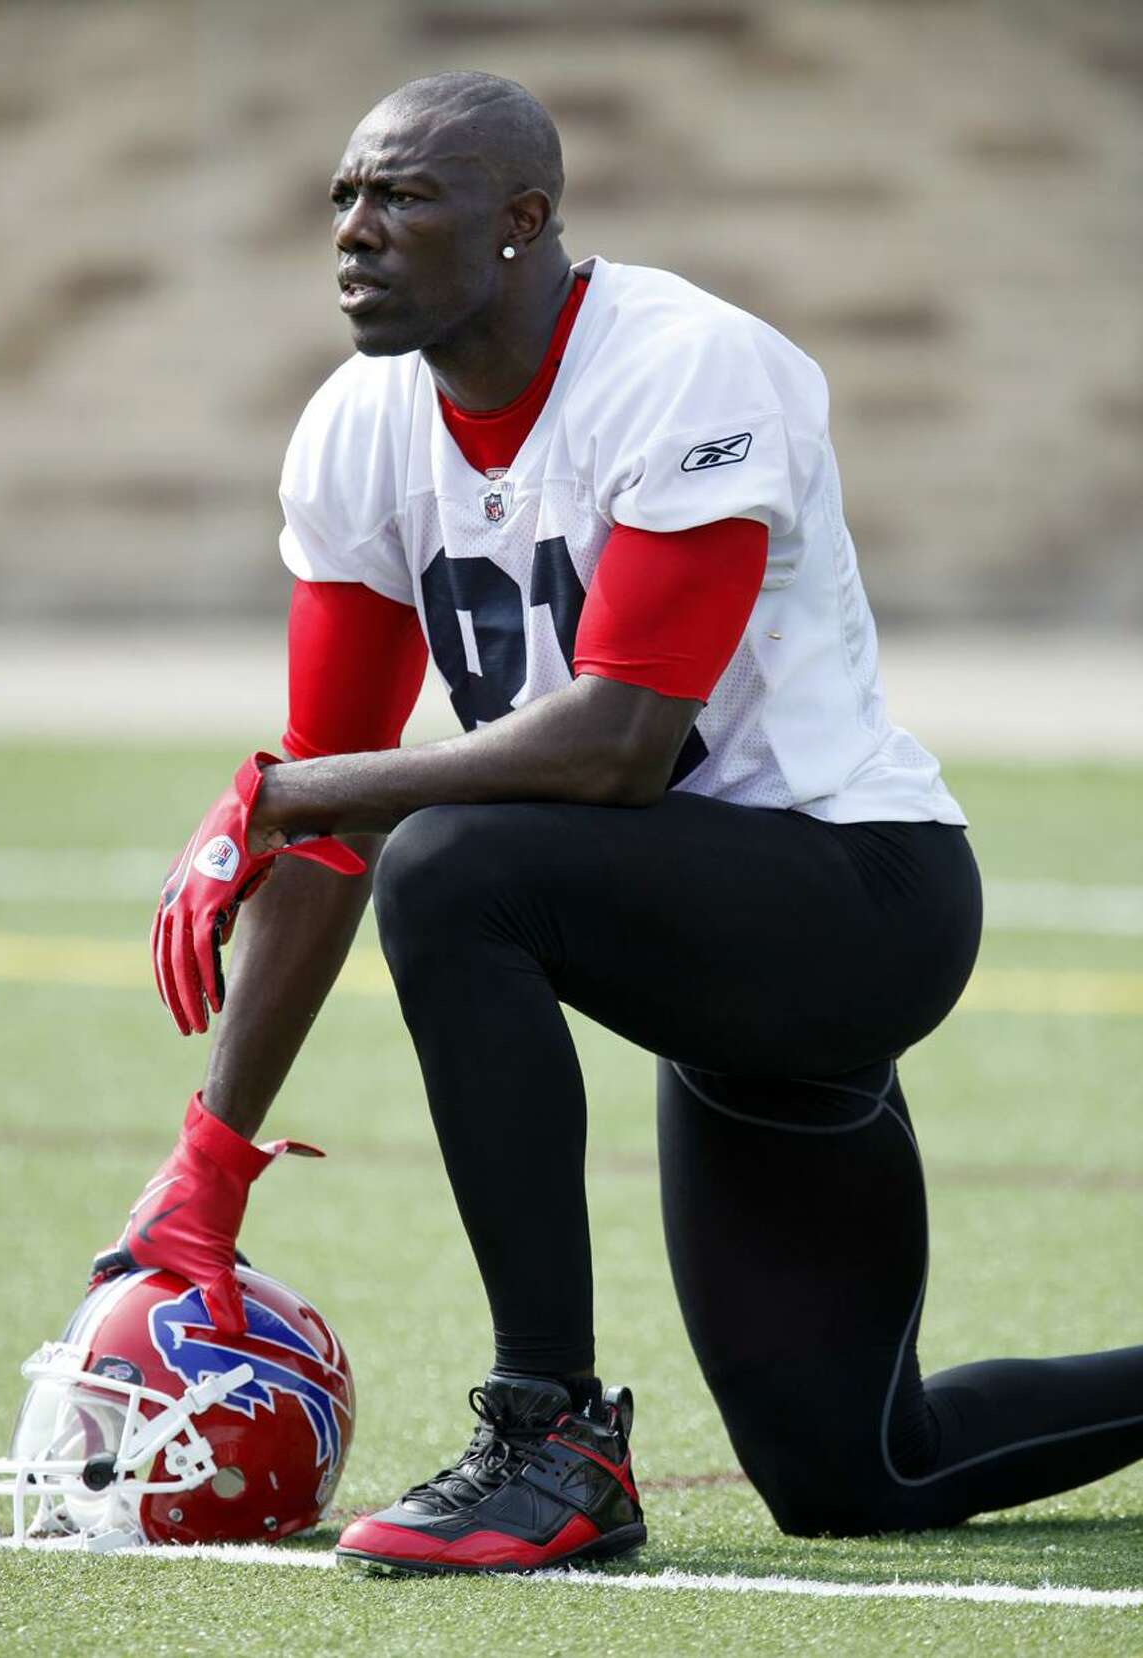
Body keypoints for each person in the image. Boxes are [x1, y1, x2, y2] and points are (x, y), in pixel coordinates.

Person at [92, 72, 1143, 1574]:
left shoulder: (688, 367)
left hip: (860, 899)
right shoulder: (357, 432)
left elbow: (620, 748)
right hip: (706, 954)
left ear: (524, 221)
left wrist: (286, 791)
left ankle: (550, 1432)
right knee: (859, 1470)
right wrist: (210, 1157)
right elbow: (325, 811)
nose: (355, 231)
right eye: (343, 197)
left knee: (460, 865)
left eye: (403, 196)